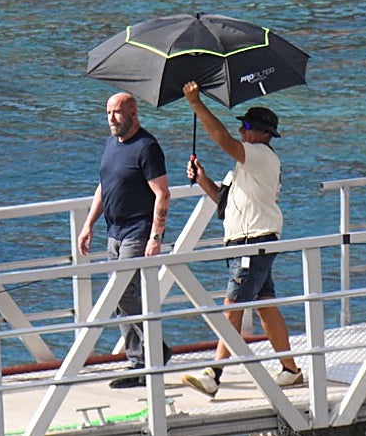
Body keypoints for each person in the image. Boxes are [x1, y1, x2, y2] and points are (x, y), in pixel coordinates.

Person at [179, 80, 303, 397]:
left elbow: (221, 139)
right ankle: (290, 370)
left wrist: (196, 104)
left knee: (233, 305)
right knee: (264, 305)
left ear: (264, 133)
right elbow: (222, 201)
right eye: (242, 126)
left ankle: (214, 373)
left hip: (254, 242)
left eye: (247, 126)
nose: (242, 131)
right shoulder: (242, 167)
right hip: (246, 241)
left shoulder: (261, 155)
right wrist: (202, 178)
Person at [77, 92, 172, 388]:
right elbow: (104, 188)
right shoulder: (110, 145)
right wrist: (88, 224)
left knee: (124, 293)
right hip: (113, 231)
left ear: (132, 111)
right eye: (108, 113)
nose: (111, 119)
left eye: (117, 112)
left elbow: (162, 194)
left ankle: (150, 355)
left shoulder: (147, 147)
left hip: (137, 231)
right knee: (120, 298)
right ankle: (139, 360)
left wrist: (156, 236)